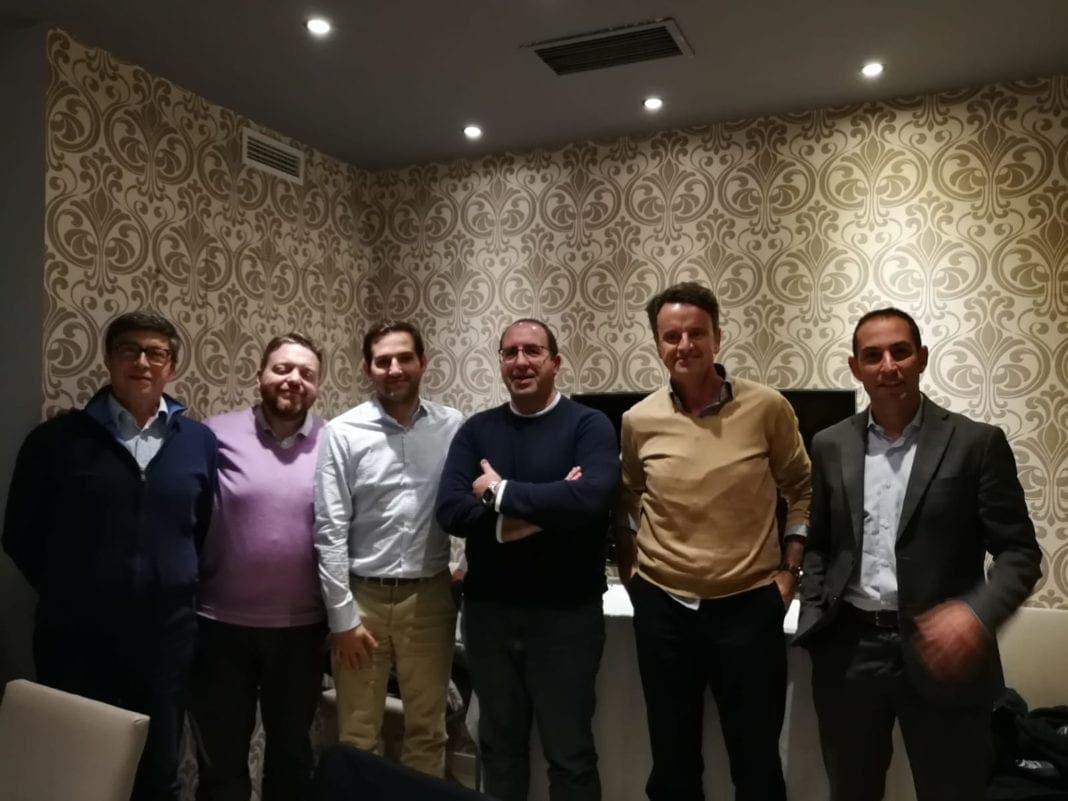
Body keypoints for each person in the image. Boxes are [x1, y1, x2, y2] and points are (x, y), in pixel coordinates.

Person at [793, 308, 1041, 801]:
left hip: (944, 658)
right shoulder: (829, 444)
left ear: (922, 358)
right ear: (855, 368)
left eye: (900, 351)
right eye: (873, 356)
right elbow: (820, 542)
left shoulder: (976, 443)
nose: (888, 366)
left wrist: (975, 614)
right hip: (850, 655)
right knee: (850, 790)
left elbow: (1019, 553)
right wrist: (815, 606)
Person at [2, 310, 217, 801]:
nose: (142, 362)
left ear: (171, 366)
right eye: (128, 350)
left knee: (158, 771)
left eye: (156, 353)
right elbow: (19, 534)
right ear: (108, 359)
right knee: (77, 768)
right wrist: (76, 590)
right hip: (74, 638)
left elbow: (201, 529)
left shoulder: (199, 442)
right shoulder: (56, 440)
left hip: (167, 639)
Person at [616, 282, 811, 801]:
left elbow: (802, 488)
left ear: (717, 338)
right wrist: (631, 573)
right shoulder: (638, 420)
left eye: (696, 333)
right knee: (672, 766)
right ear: (657, 345)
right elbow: (627, 498)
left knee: (757, 764)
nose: (684, 345)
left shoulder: (767, 408)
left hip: (748, 608)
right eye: (671, 336)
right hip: (664, 610)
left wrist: (790, 572)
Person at [436, 318, 619, 801]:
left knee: (570, 756)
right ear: (500, 363)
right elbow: (450, 510)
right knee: (499, 751)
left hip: (567, 619)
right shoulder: (477, 431)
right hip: (489, 617)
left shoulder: (589, 425)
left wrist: (497, 493)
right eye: (510, 352)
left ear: (555, 362)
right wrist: (538, 513)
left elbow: (593, 499)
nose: (520, 362)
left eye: (533, 351)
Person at [314, 321, 463, 777]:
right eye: (383, 361)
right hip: (362, 600)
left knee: (428, 732)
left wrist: (466, 565)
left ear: (423, 363)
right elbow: (330, 529)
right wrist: (342, 618)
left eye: (404, 358)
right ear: (367, 368)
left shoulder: (453, 426)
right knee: (358, 734)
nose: (394, 369)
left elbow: (470, 502)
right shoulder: (342, 432)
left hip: (430, 598)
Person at [191, 332, 327, 801]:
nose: (294, 379)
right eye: (282, 368)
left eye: (306, 373)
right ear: (259, 375)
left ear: (318, 384)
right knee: (221, 765)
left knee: (292, 761)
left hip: (302, 631)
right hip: (218, 627)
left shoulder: (335, 443)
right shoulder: (212, 434)